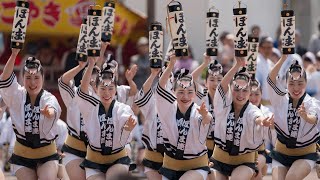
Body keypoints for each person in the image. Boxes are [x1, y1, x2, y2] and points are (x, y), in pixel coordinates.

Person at [0, 49, 61, 179]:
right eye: (28, 78)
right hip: (22, 154)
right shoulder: (17, 95)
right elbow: (5, 79)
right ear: (22, 78)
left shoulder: (48, 98)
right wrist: (14, 54)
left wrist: (49, 113)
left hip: (47, 154)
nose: (32, 83)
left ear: (43, 78)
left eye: (36, 78)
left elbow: (52, 108)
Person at [76, 57, 137, 180]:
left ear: (116, 90)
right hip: (94, 159)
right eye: (102, 89)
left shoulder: (122, 109)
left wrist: (127, 128)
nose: (106, 93)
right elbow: (82, 90)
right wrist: (91, 64)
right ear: (95, 88)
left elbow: (124, 139)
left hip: (117, 158)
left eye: (110, 89)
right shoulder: (89, 106)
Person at [212, 57, 272, 180]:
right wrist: (236, 66)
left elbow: (257, 117)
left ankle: (258, 171)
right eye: (236, 90)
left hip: (244, 160)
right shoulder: (224, 105)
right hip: (221, 158)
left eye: (245, 91)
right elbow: (222, 87)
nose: (241, 95)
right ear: (231, 90)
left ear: (249, 92)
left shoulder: (251, 109)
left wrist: (263, 121)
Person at [156, 55, 212, 180]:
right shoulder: (167, 108)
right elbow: (160, 87)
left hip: (196, 165)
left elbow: (208, 119)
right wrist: (171, 66)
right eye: (180, 92)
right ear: (173, 92)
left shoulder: (198, 110)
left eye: (190, 92)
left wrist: (204, 114)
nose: (185, 96)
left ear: (195, 93)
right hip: (171, 166)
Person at [268, 55, 320, 180]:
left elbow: (314, 118)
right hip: (281, 152)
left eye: (300, 83)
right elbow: (270, 79)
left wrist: (306, 116)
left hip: (305, 153)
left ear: (306, 83)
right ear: (286, 84)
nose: (296, 88)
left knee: (291, 177)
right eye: (291, 83)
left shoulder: (312, 102)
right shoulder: (280, 98)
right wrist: (283, 58)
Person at [134, 67, 164, 180]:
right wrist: (153, 75)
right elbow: (142, 95)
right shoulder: (152, 104)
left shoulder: (178, 103)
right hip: (150, 153)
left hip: (171, 157)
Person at [248, 77, 275, 180]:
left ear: (261, 94)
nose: (253, 98)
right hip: (239, 153)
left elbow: (273, 139)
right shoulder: (238, 110)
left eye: (256, 94)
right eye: (250, 94)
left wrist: (271, 127)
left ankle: (262, 167)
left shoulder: (267, 112)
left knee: (255, 169)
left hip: (259, 152)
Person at [256, 36, 274, 108]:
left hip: (271, 104)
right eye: (264, 47)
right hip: (260, 103)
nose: (267, 50)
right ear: (259, 48)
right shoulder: (257, 62)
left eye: (269, 47)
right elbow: (256, 84)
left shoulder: (270, 63)